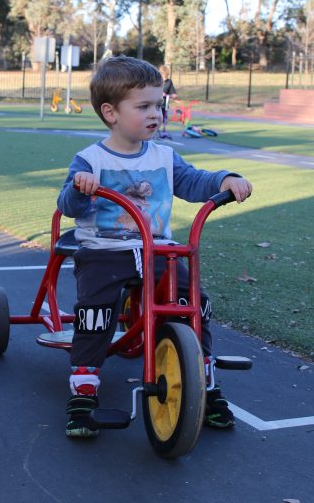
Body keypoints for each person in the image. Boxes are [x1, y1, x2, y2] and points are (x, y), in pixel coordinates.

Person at [57, 56, 252, 438]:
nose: (155, 114)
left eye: (158, 105)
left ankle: (205, 384)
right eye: (143, 106)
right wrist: (79, 187)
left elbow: (194, 181)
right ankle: (83, 391)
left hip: (158, 250)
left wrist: (225, 179)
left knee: (193, 303)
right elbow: (67, 206)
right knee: (95, 313)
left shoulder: (164, 156)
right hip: (104, 250)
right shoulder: (90, 160)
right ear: (111, 113)